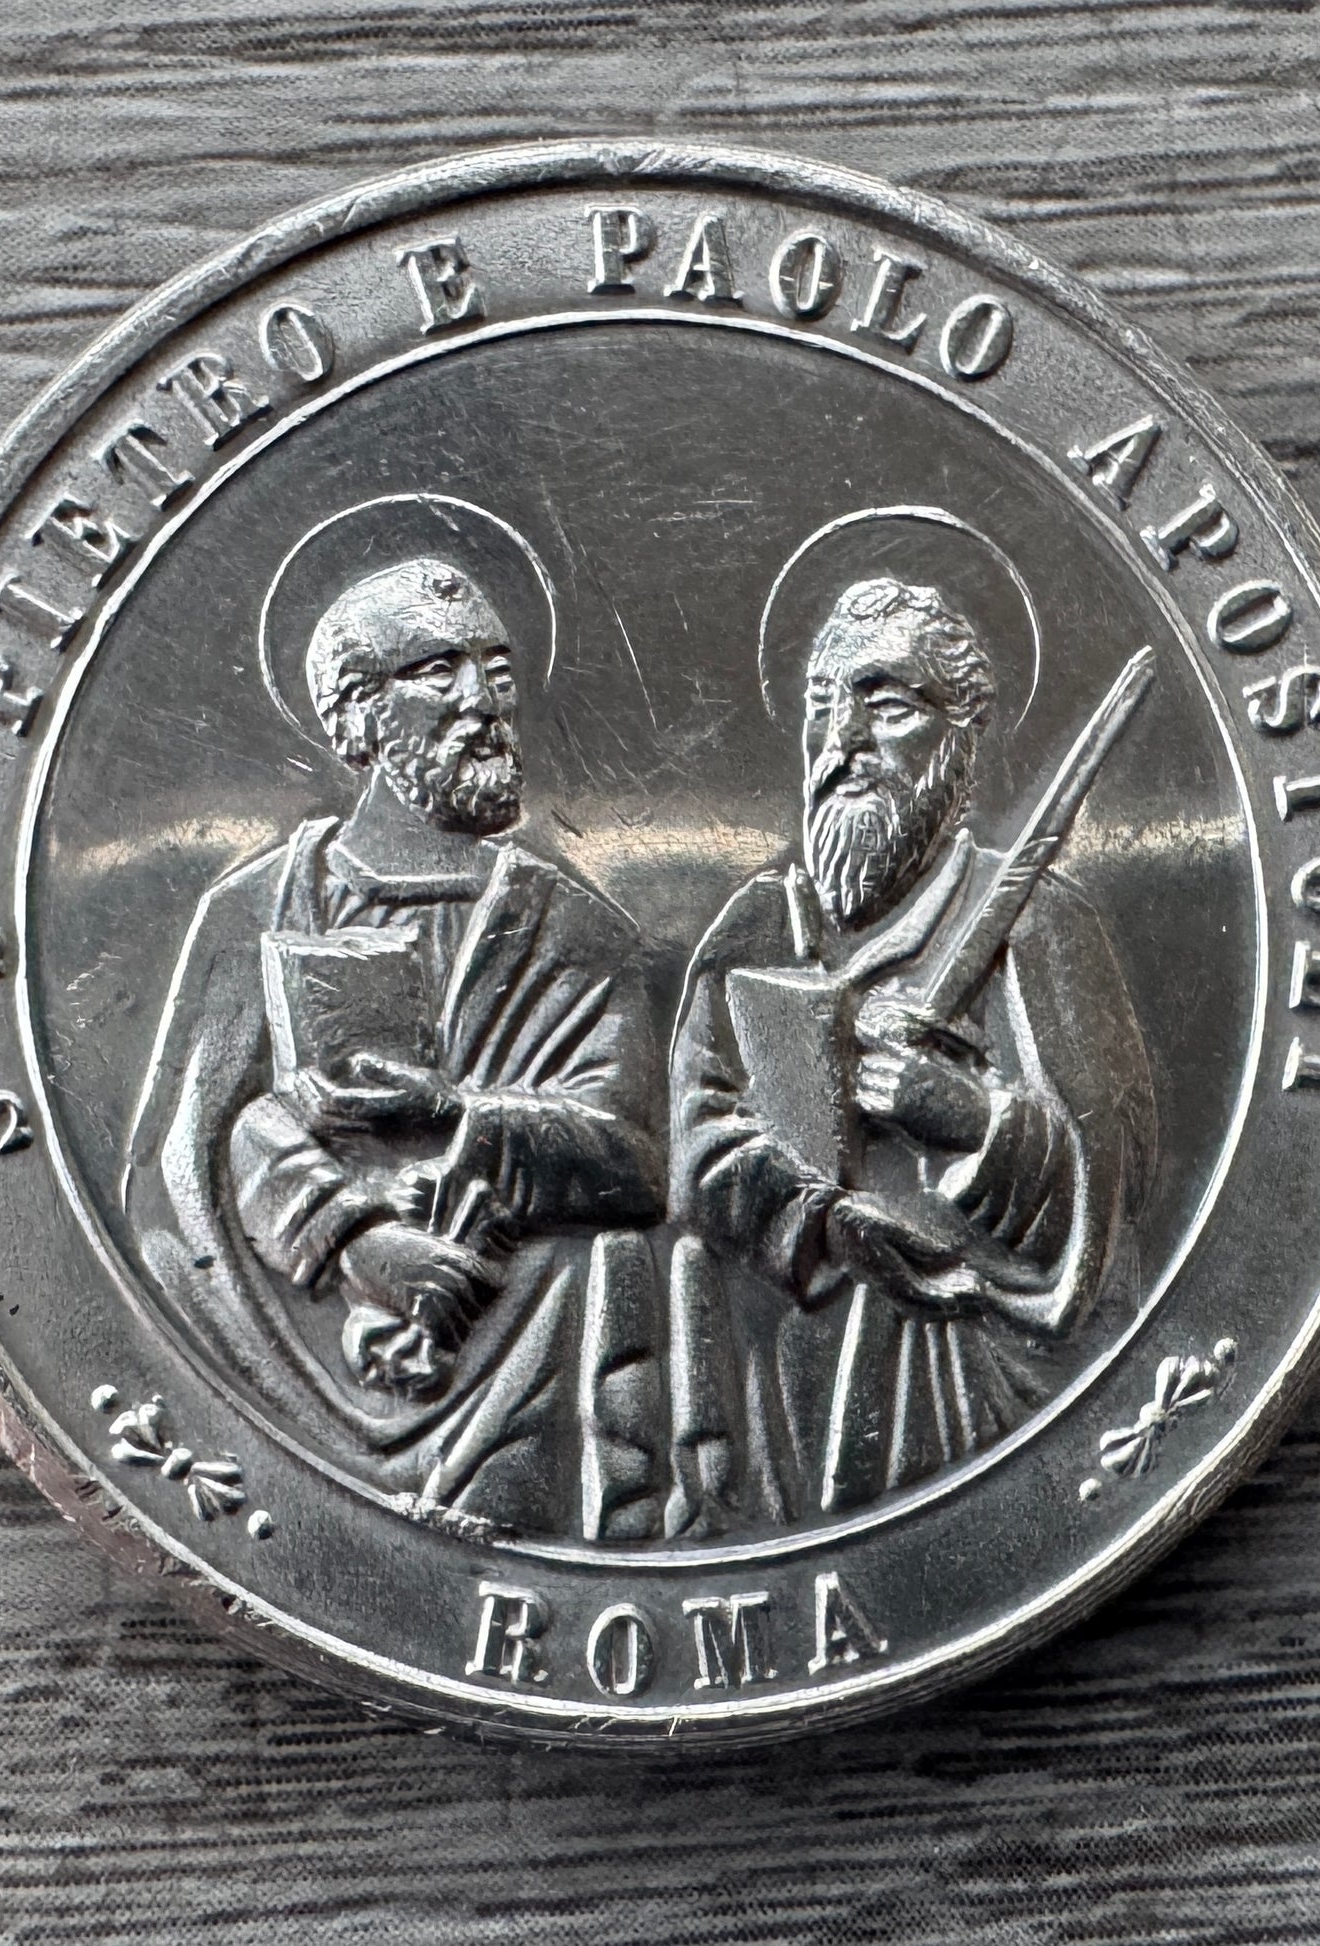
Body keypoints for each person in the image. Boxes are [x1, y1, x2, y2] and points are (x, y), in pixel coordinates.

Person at [124, 555, 665, 1539]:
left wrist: (458, 1115)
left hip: (516, 1356)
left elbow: (635, 1166)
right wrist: (355, 1241)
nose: (481, 703)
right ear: (356, 715)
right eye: (437, 671)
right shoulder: (253, 910)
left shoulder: (579, 932)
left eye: (497, 671)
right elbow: (176, 1173)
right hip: (294, 1368)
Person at [666, 576, 1156, 1533]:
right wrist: (830, 1220)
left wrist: (975, 1121)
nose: (842, 742)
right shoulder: (759, 925)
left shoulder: (1043, 925)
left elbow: (1120, 1171)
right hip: (785, 1369)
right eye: (824, 706)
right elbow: (695, 1146)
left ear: (959, 742)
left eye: (886, 708)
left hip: (968, 1371)